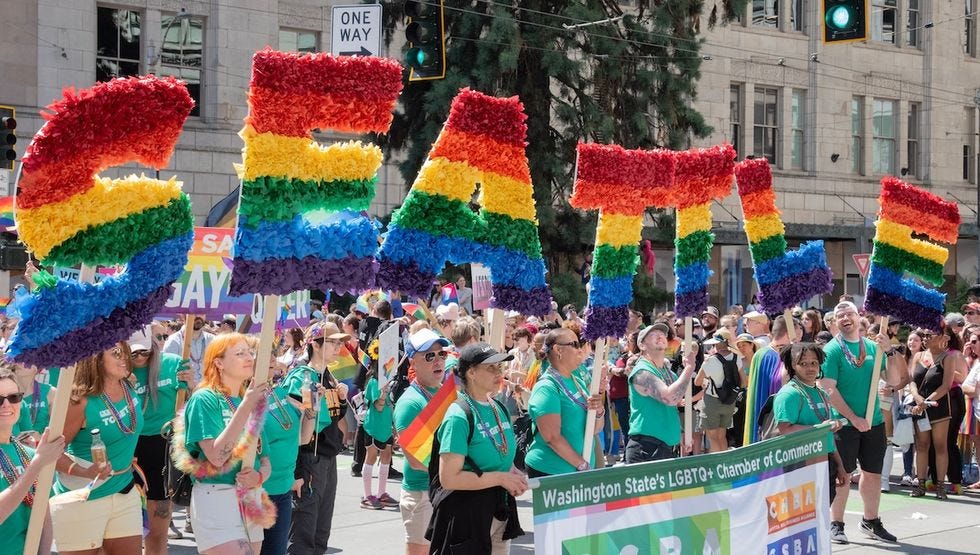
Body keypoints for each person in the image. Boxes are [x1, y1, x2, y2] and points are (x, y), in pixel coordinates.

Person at [427, 343, 526, 553]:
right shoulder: (458, 416)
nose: (498, 372)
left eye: (499, 367)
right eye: (490, 368)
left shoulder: (498, 407)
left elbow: (499, 454)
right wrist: (501, 478)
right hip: (468, 515)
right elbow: (449, 478)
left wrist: (511, 472)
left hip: (500, 508)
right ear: (471, 372)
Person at [179, 333, 271, 554]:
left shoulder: (247, 400)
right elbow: (217, 457)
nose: (249, 357)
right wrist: (246, 406)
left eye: (249, 352)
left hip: (251, 497)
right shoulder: (204, 399)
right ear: (218, 362)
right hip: (217, 496)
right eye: (239, 353)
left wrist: (258, 476)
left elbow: (265, 459)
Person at [821, 302, 904, 544]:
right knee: (843, 475)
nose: (845, 318)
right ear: (835, 322)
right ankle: (836, 524)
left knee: (873, 474)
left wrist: (889, 352)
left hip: (873, 422)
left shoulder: (872, 347)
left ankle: (871, 521)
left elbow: (894, 380)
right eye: (840, 315)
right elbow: (828, 389)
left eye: (849, 314)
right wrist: (853, 418)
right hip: (843, 424)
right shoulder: (831, 350)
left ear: (859, 317)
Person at [51, 343, 145, 554]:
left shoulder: (128, 385)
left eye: (125, 352)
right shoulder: (80, 401)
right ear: (96, 359)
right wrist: (84, 471)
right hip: (84, 498)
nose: (125, 358)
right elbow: (50, 453)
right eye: (116, 353)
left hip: (124, 490)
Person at [283, 322, 350, 554]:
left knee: (321, 532)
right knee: (303, 532)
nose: (338, 347)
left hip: (328, 458)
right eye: (332, 342)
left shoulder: (328, 375)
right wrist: (298, 469)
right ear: (316, 344)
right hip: (310, 458)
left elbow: (333, 415)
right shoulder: (303, 376)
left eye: (340, 342)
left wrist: (340, 399)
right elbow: (293, 421)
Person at [129, 324, 191, 555]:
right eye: (133, 352)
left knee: (158, 530)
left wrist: (190, 385)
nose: (140, 357)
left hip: (163, 445)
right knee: (127, 532)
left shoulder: (174, 363)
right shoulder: (119, 371)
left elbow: (191, 403)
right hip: (130, 446)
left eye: (144, 351)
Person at [393, 329, 450, 555]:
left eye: (441, 354)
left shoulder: (442, 392)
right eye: (429, 356)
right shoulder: (410, 403)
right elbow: (416, 460)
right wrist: (457, 472)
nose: (438, 361)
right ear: (413, 361)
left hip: (444, 489)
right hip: (422, 494)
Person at [0, 365, 65, 555]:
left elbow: (43, 515)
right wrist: (37, 464)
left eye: (14, 397)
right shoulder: (36, 458)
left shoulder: (28, 453)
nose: (7, 405)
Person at [772, 344, 848, 503]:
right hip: (799, 465)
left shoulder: (822, 393)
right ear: (793, 365)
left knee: (822, 516)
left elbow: (828, 434)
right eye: (803, 363)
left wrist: (839, 465)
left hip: (824, 462)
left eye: (814, 363)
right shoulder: (789, 394)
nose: (810, 368)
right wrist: (820, 428)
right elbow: (785, 429)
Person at [525, 328, 604, 476]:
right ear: (558, 350)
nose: (580, 349)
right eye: (575, 344)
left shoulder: (577, 380)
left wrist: (599, 411)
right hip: (553, 472)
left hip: (580, 470)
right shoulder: (546, 387)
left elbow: (594, 429)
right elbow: (552, 437)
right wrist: (581, 465)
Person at [259, 355, 315, 555]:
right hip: (258, 492)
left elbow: (304, 438)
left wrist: (311, 409)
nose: (273, 358)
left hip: (283, 489)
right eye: (267, 355)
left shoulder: (280, 393)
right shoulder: (243, 400)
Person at [626, 323, 696, 462]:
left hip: (666, 447)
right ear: (642, 345)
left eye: (662, 334)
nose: (660, 336)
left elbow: (672, 407)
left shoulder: (669, 374)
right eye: (652, 335)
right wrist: (689, 369)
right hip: (646, 448)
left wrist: (680, 432)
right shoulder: (642, 372)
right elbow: (669, 398)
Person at [908, 323, 962, 499]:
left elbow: (946, 386)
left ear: (941, 337)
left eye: (929, 335)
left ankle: (940, 486)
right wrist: (917, 397)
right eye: (923, 335)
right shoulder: (918, 356)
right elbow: (912, 381)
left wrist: (927, 401)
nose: (925, 339)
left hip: (939, 408)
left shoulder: (948, 358)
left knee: (940, 446)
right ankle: (920, 484)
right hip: (920, 407)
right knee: (921, 446)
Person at [743, 316, 802, 445]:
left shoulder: (761, 353)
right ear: (788, 334)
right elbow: (779, 384)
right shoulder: (767, 355)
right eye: (797, 335)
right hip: (771, 420)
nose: (799, 340)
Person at [695, 329, 747, 453]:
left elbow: (697, 382)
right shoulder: (736, 358)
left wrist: (707, 381)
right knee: (722, 435)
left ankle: (717, 466)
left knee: (713, 438)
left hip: (712, 402)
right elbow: (744, 382)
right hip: (729, 402)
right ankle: (726, 464)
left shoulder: (710, 360)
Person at [360, 351, 396, 510]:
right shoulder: (374, 382)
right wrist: (383, 392)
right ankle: (367, 496)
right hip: (374, 425)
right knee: (372, 456)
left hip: (386, 425)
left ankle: (382, 493)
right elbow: (379, 406)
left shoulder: (387, 381)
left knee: (387, 455)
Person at [163, 316, 215, 382]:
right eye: (194, 311)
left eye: (201, 311)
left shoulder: (213, 340)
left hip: (208, 390)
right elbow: (168, 374)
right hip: (183, 391)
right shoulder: (173, 342)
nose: (198, 316)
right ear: (182, 315)